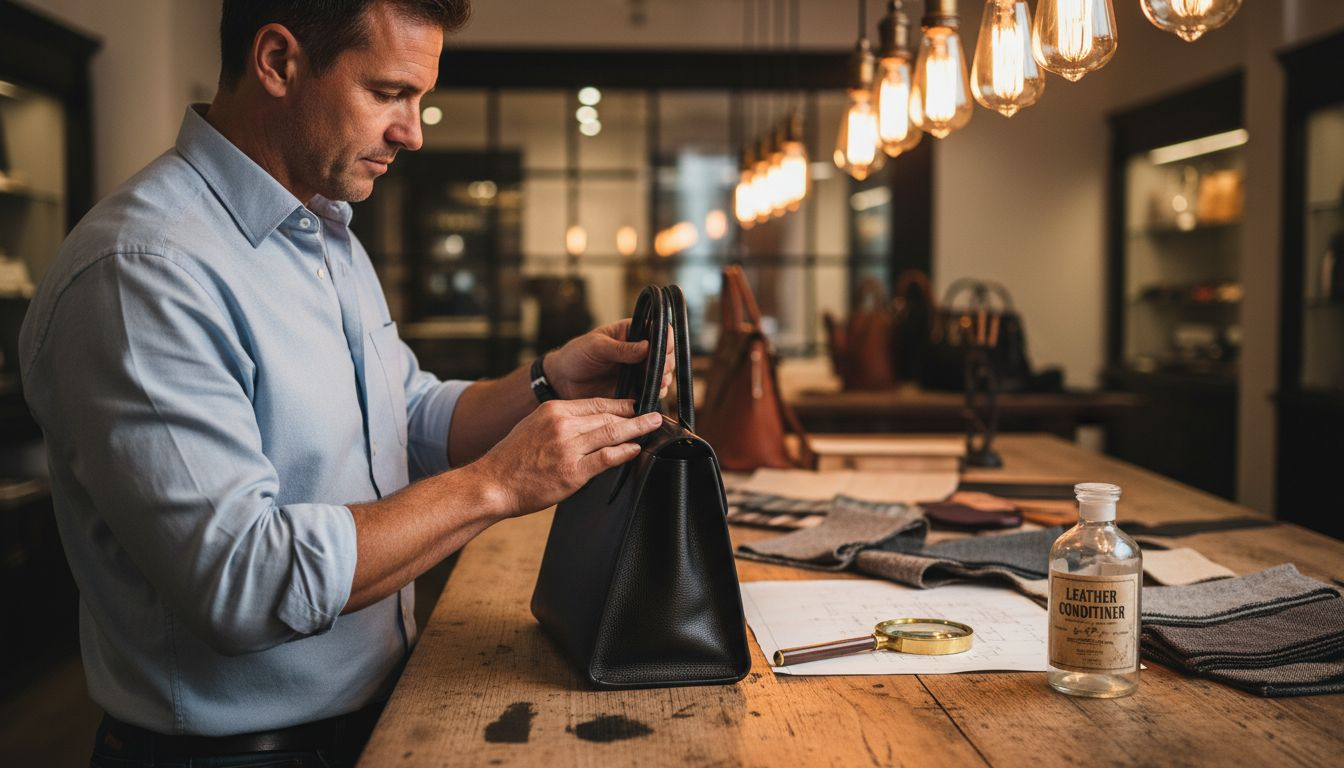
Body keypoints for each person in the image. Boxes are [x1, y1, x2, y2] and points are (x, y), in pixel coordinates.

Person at [17, 1, 673, 765]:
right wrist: (496, 485)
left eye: (420, 99)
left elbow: (411, 415)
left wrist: (546, 381)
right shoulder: (143, 271)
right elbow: (242, 578)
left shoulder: (324, 233)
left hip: (375, 711)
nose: (414, 131)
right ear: (278, 62)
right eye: (389, 93)